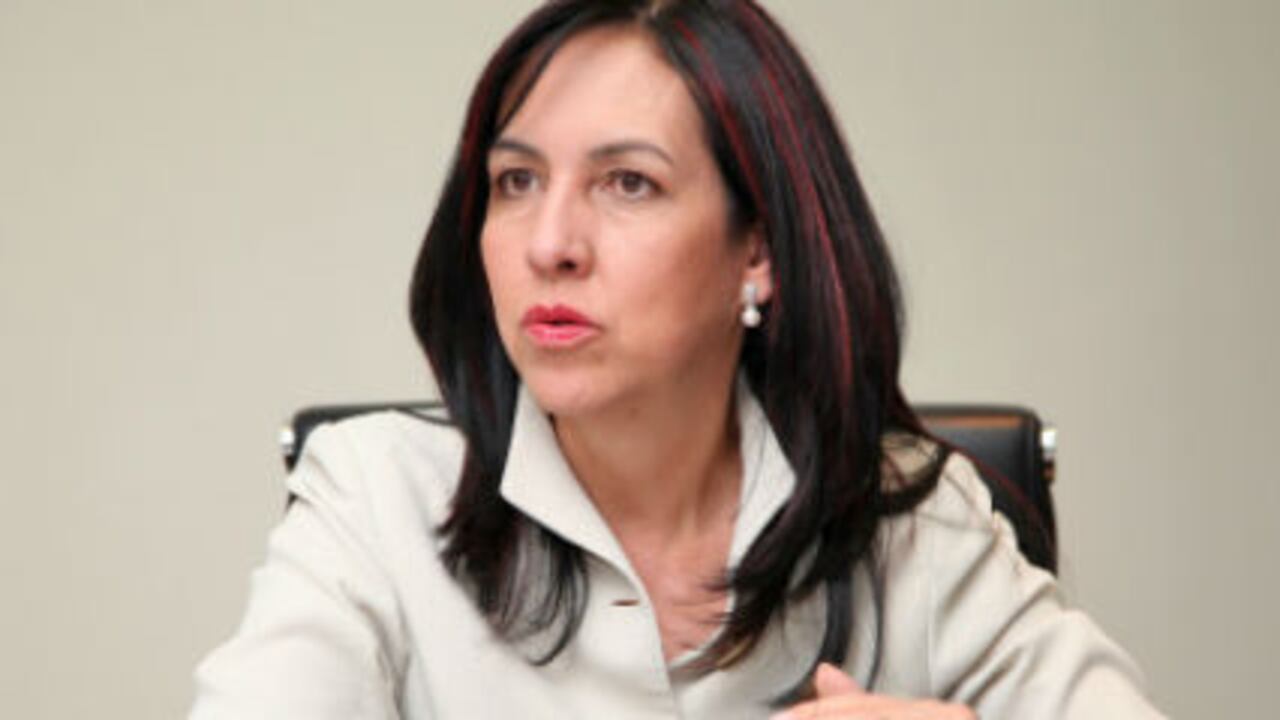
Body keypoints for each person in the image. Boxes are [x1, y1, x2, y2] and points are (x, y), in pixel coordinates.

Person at [191, 1, 1166, 718]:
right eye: (516, 181)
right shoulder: (373, 498)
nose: (549, 244)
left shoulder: (913, 524)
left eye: (627, 183)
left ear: (759, 249)